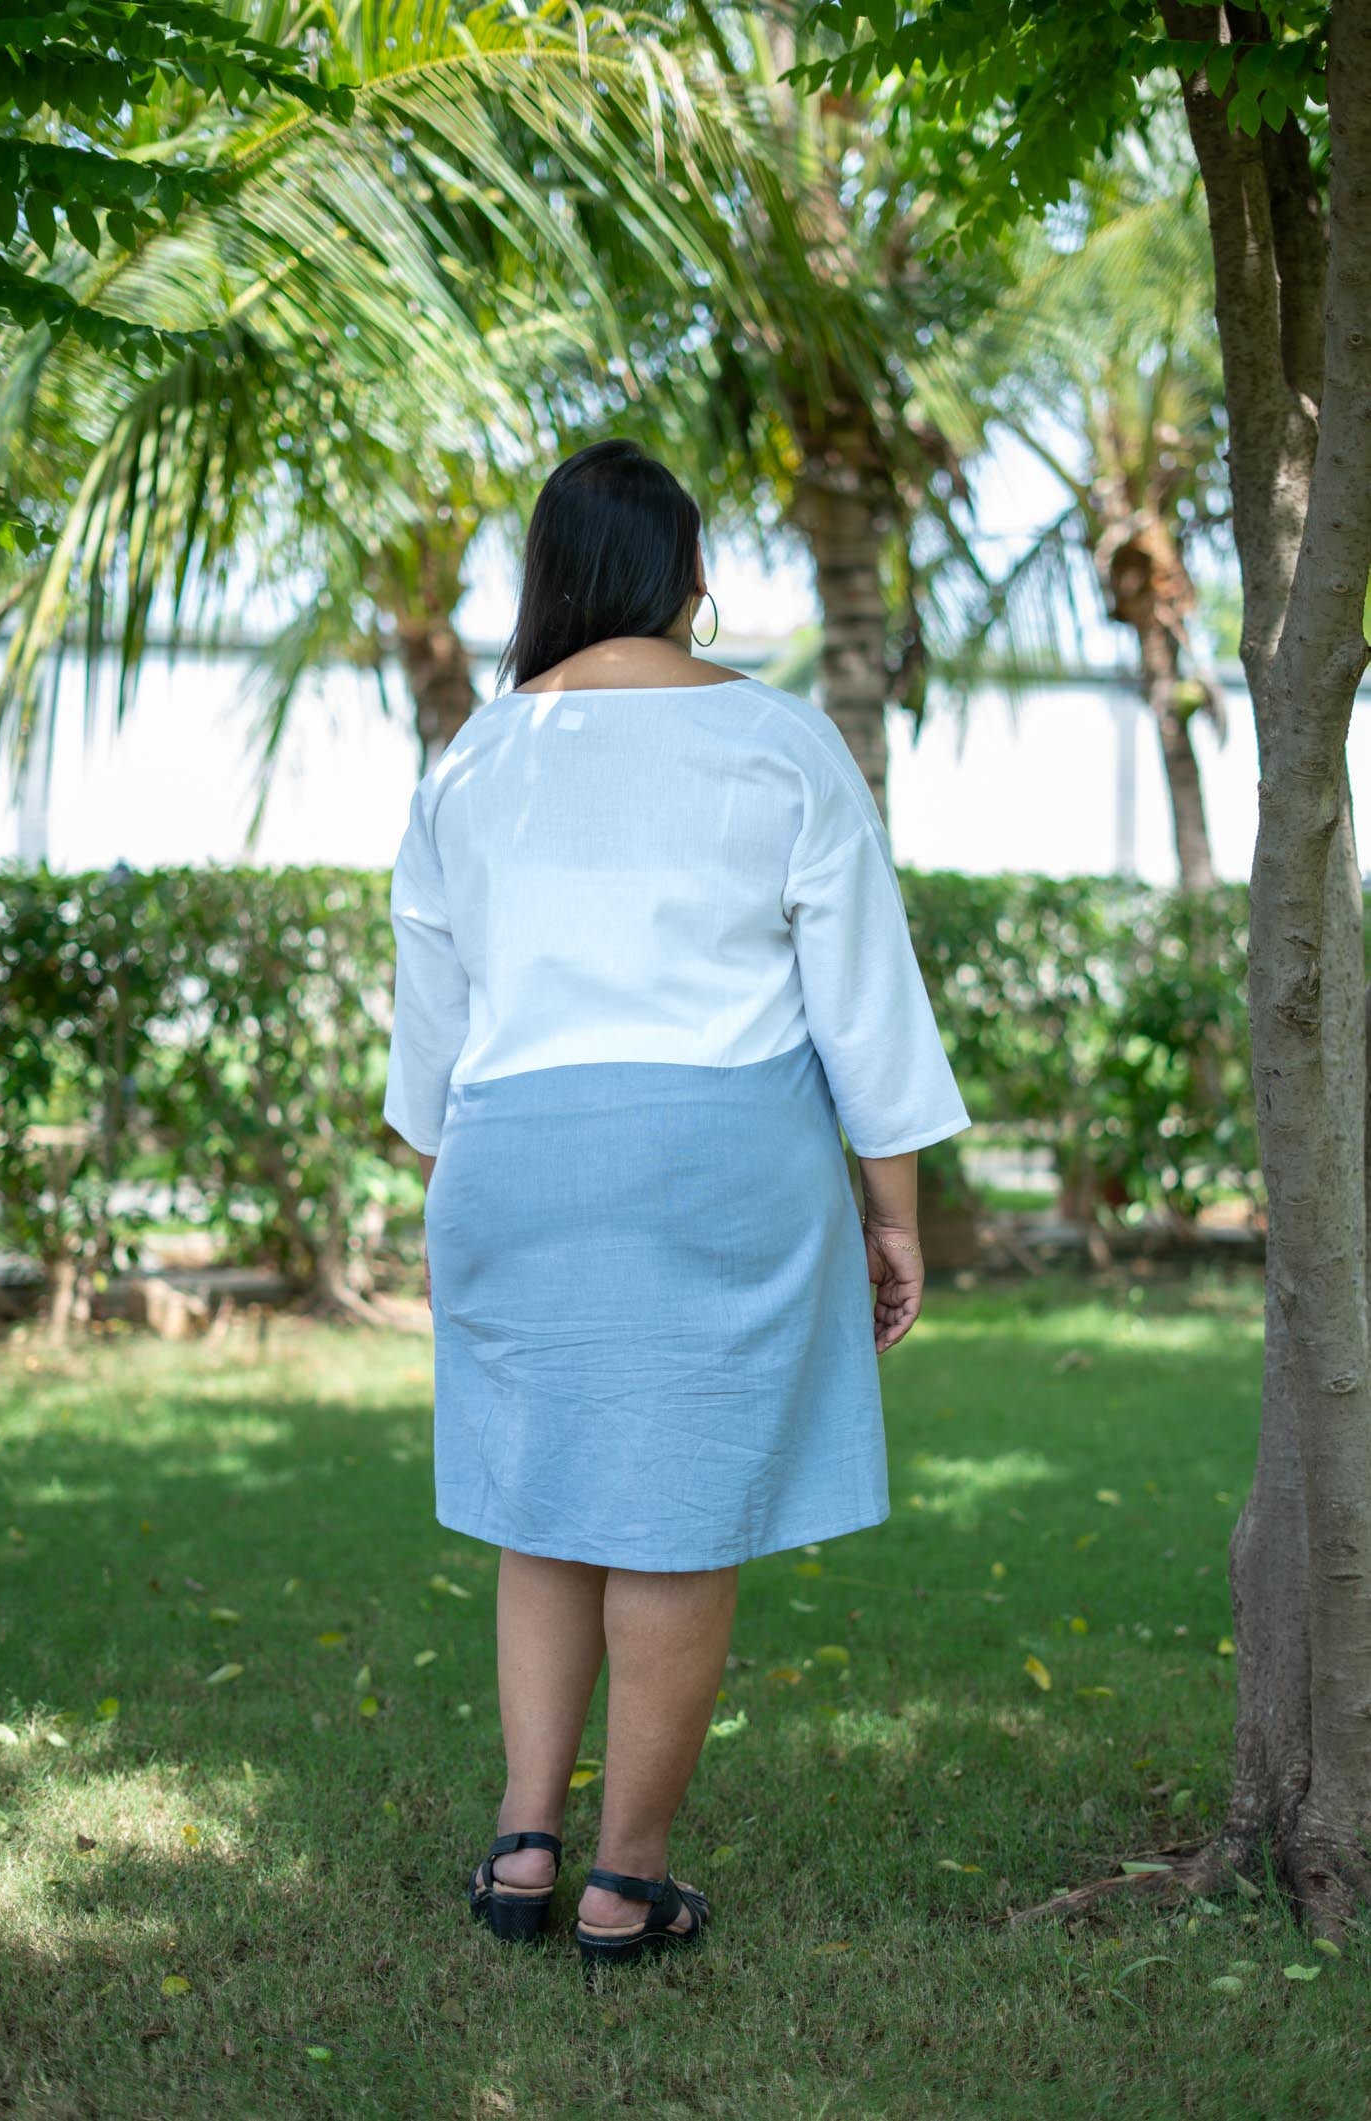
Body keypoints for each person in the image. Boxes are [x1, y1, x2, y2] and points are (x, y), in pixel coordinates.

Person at [383, 437, 971, 1970]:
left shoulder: (471, 757)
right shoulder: (777, 740)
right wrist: (891, 1211)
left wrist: (456, 1213)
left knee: (539, 1496)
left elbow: (430, 1037)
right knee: (677, 1514)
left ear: (548, 581)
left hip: (507, 1154)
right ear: (688, 577)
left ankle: (523, 1842)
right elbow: (864, 1001)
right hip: (714, 1156)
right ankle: (623, 1879)